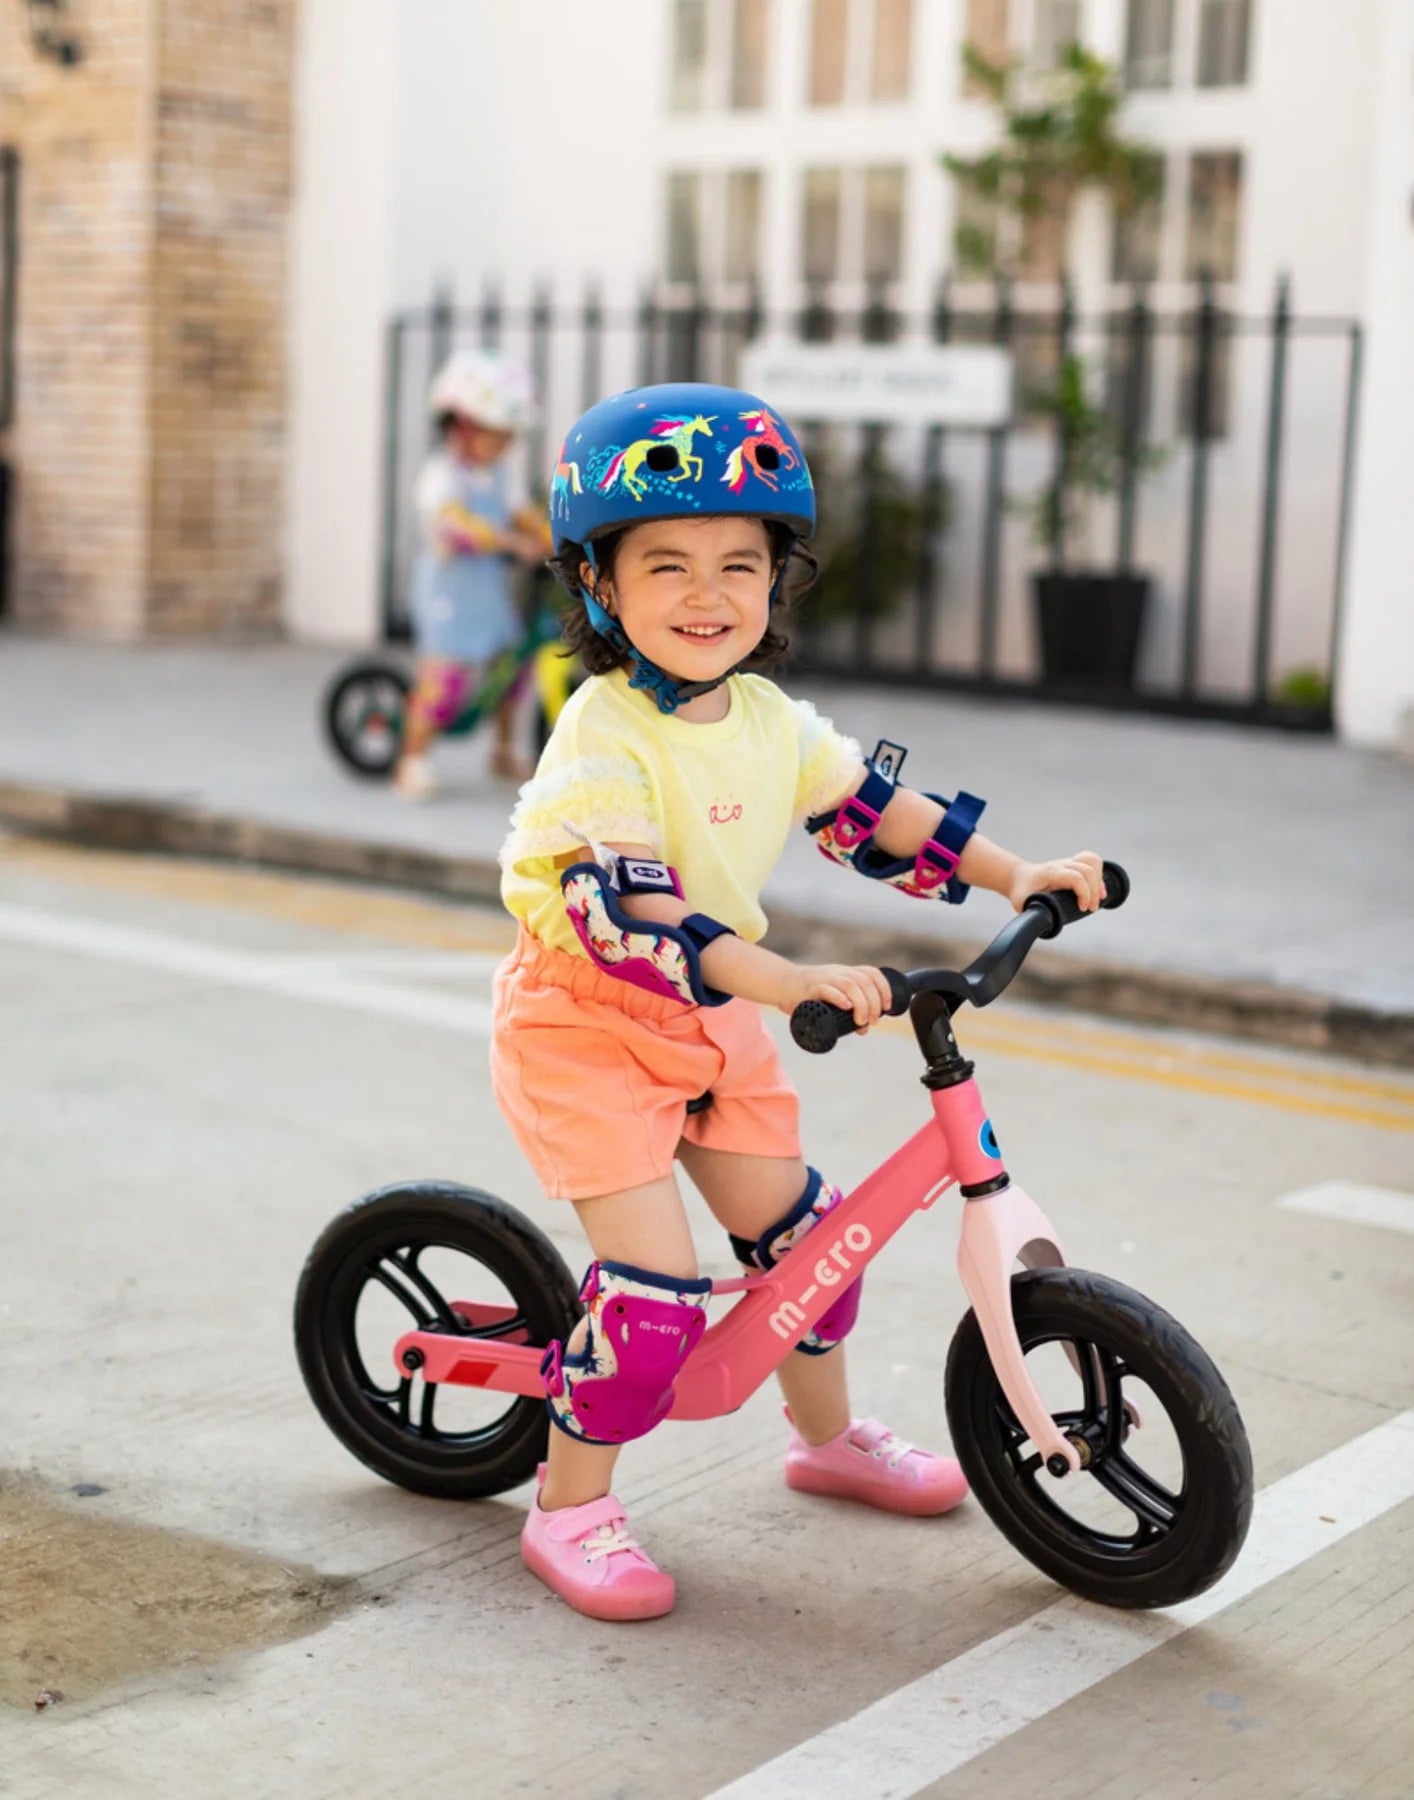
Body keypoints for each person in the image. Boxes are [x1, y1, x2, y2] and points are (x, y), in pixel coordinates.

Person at [492, 382, 1105, 1622]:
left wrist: (1016, 873)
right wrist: (788, 980)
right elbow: (643, 913)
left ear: (779, 580)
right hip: (586, 1020)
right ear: (602, 588)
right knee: (655, 1298)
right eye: (664, 565)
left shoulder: (768, 719)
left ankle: (824, 1442)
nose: (706, 594)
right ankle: (569, 1508)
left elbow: (876, 817)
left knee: (816, 1256)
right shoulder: (600, 738)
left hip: (714, 1022)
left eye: (739, 562)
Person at [394, 348, 550, 799]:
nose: (505, 446)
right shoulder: (441, 475)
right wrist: (506, 541)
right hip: (450, 593)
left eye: (509, 437)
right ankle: (412, 759)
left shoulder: (502, 473)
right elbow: (452, 523)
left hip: (487, 590)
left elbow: (521, 512)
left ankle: (502, 749)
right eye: (497, 435)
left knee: (510, 668)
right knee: (444, 680)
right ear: (462, 427)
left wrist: (546, 533)